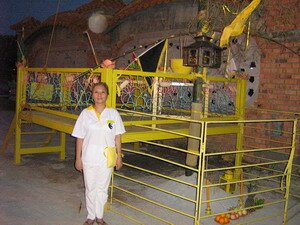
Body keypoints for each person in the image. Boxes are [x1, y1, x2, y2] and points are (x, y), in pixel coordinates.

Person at [72, 82, 125, 225]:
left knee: (102, 188)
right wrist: (78, 158)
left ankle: (99, 217)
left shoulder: (113, 113)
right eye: (96, 92)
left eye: (102, 92)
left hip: (107, 158)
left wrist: (119, 156)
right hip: (88, 157)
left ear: (107, 95)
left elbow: (118, 137)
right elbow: (79, 137)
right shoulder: (85, 114)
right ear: (92, 94)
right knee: (90, 187)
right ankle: (90, 216)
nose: (99, 95)